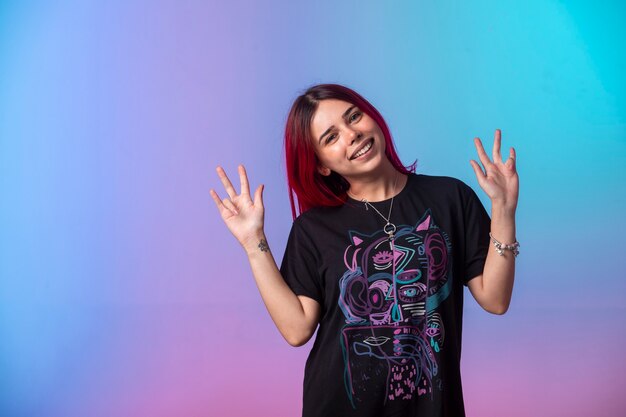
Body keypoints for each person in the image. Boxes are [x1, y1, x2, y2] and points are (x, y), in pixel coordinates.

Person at [210, 84, 519, 417]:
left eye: (353, 117)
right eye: (331, 137)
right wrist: (253, 242)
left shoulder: (450, 198)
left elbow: (495, 299)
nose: (352, 134)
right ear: (322, 166)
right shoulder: (314, 229)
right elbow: (296, 329)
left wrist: (503, 207)